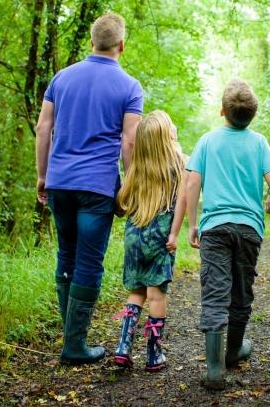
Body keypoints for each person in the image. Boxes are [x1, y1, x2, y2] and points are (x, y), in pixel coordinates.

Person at [35, 12, 142, 365]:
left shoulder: (61, 78)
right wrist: (129, 185)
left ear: (91, 42)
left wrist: (42, 175)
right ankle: (75, 345)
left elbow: (43, 128)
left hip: (60, 181)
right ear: (121, 45)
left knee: (65, 254)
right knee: (89, 264)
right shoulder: (129, 86)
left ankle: (72, 338)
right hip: (96, 186)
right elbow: (129, 142)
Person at [177, 80, 270, 390]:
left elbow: (192, 184)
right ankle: (234, 351)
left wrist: (193, 223)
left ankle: (214, 370)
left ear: (222, 111)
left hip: (215, 228)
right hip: (249, 228)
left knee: (215, 294)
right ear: (254, 114)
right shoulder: (260, 142)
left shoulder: (208, 141)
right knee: (241, 291)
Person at [111, 110, 187, 372]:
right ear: (166, 138)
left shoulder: (137, 169)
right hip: (160, 239)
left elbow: (122, 201)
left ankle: (123, 347)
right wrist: (175, 233)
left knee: (136, 293)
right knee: (156, 295)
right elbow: (182, 205)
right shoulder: (179, 166)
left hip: (134, 237)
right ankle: (154, 354)